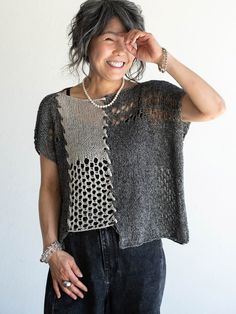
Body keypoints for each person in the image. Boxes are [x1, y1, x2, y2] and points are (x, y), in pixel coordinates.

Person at [34, 0, 225, 313]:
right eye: (110, 39)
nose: (120, 50)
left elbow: (213, 108)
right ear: (86, 40)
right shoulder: (54, 108)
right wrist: (52, 250)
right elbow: (50, 188)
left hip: (141, 255)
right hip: (77, 257)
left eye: (129, 41)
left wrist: (163, 57)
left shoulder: (150, 100)